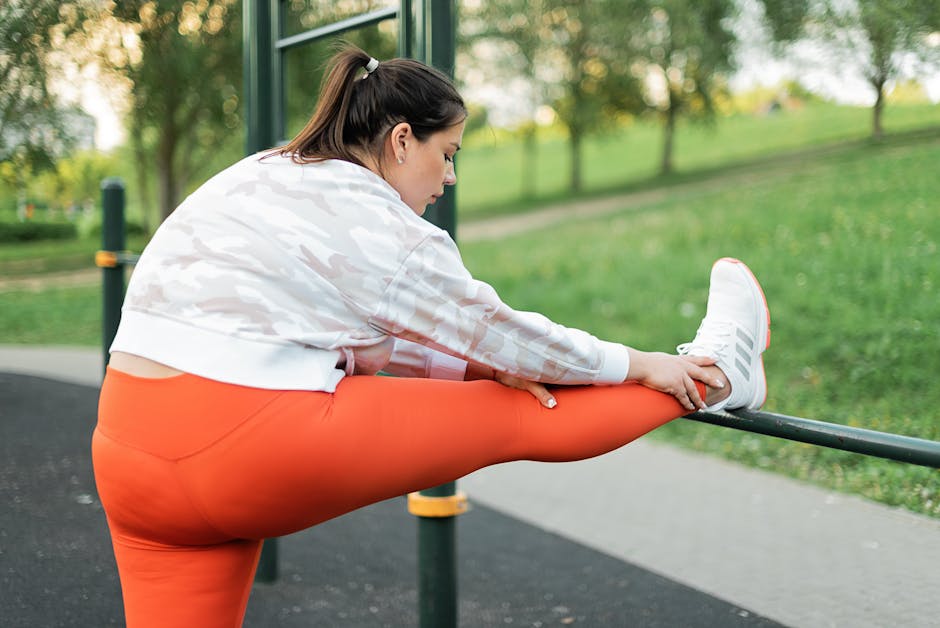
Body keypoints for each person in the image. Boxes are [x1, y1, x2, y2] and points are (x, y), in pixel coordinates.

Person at [92, 45, 771, 628]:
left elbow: (340, 325)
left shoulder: (266, 172)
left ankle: (709, 373)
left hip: (128, 455)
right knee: (520, 417)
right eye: (448, 155)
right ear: (400, 141)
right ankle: (718, 373)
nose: (448, 178)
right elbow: (502, 334)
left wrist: (477, 367)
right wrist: (637, 363)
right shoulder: (378, 221)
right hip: (241, 446)